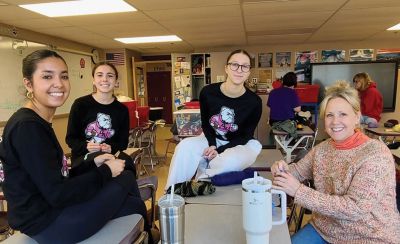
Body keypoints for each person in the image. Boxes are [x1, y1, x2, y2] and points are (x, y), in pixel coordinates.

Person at [0, 50, 152, 243]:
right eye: (47, 76)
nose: (59, 84)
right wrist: (105, 171)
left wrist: (93, 164)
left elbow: (54, 177)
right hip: (49, 225)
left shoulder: (35, 122)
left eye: (64, 76)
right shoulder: (27, 127)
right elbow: (58, 194)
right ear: (28, 83)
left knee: (132, 204)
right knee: (126, 174)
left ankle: (149, 233)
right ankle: (151, 231)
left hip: (51, 213)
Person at [271, 80, 400, 243]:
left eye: (343, 114)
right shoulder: (322, 149)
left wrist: (298, 191)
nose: (335, 121)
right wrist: (282, 170)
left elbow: (354, 208)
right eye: (329, 115)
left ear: (357, 117)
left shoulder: (376, 155)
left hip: (370, 236)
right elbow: (297, 172)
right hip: (325, 229)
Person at [165, 49, 262, 190]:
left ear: (248, 72)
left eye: (245, 66)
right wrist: (212, 145)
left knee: (228, 162)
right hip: (211, 137)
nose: (239, 70)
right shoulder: (208, 92)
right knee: (184, 147)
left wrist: (220, 150)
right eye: (234, 64)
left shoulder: (254, 102)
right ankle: (172, 193)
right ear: (226, 68)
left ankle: (200, 181)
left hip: (240, 142)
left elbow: (245, 136)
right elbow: (206, 124)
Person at [66, 61, 135, 175]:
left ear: (116, 81)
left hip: (110, 161)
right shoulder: (80, 104)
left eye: (110, 75)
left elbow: (123, 143)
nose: (104, 79)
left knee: (127, 176)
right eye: (99, 75)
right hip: (84, 162)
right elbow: (70, 139)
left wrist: (110, 148)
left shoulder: (122, 110)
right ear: (93, 80)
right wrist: (86, 146)